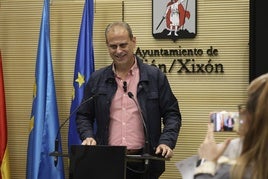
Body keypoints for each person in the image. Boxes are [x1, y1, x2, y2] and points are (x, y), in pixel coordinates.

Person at [75, 21, 182, 179]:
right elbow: (83, 115)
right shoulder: (97, 79)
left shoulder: (154, 77)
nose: (118, 51)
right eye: (113, 46)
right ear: (107, 45)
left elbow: (172, 114)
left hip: (145, 161)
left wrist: (166, 142)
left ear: (133, 41)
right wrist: (88, 136)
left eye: (123, 45)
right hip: (107, 160)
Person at [194, 73, 268, 179]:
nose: (241, 112)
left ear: (252, 117)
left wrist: (207, 162)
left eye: (246, 107)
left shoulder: (233, 173)